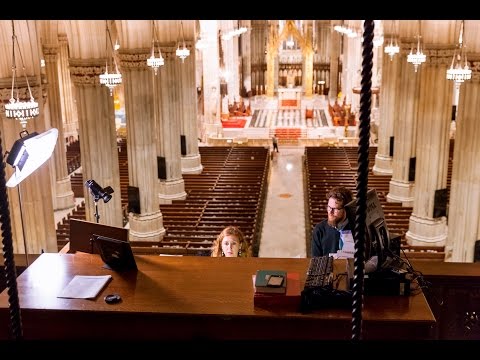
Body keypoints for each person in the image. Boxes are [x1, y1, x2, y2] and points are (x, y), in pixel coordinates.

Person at [311, 186, 354, 257]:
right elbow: (315, 261)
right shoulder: (319, 230)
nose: (330, 212)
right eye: (329, 207)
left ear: (346, 209)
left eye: (335, 209)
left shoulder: (357, 227)